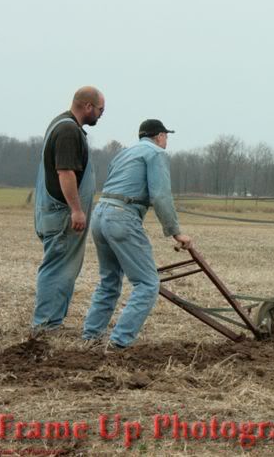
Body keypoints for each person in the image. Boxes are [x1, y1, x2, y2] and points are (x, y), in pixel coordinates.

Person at [82, 119, 192, 350]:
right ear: (160, 136)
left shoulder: (125, 153)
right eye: (166, 137)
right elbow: (160, 196)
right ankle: (119, 343)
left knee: (109, 281)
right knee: (147, 284)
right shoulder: (156, 154)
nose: (166, 141)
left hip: (100, 214)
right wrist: (175, 232)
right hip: (122, 217)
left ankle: (91, 336)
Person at [32, 86, 106, 337]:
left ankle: (52, 323)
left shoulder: (60, 124)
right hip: (63, 214)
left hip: (55, 212)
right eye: (100, 109)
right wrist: (76, 210)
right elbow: (65, 172)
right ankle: (44, 326)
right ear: (88, 107)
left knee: (63, 269)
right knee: (56, 268)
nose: (101, 114)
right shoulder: (67, 130)